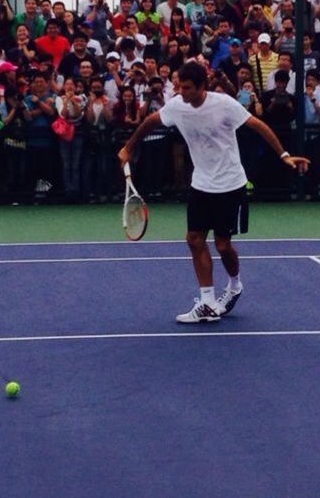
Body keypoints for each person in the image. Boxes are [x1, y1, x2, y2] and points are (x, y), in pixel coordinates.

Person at [118, 61, 309, 323]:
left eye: (186, 88)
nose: (181, 92)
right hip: (201, 185)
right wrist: (128, 148)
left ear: (202, 87)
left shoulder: (225, 104)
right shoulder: (177, 105)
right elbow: (150, 122)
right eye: (179, 87)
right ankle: (207, 302)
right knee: (194, 239)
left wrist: (284, 155)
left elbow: (259, 126)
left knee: (223, 245)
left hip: (230, 185)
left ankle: (234, 285)